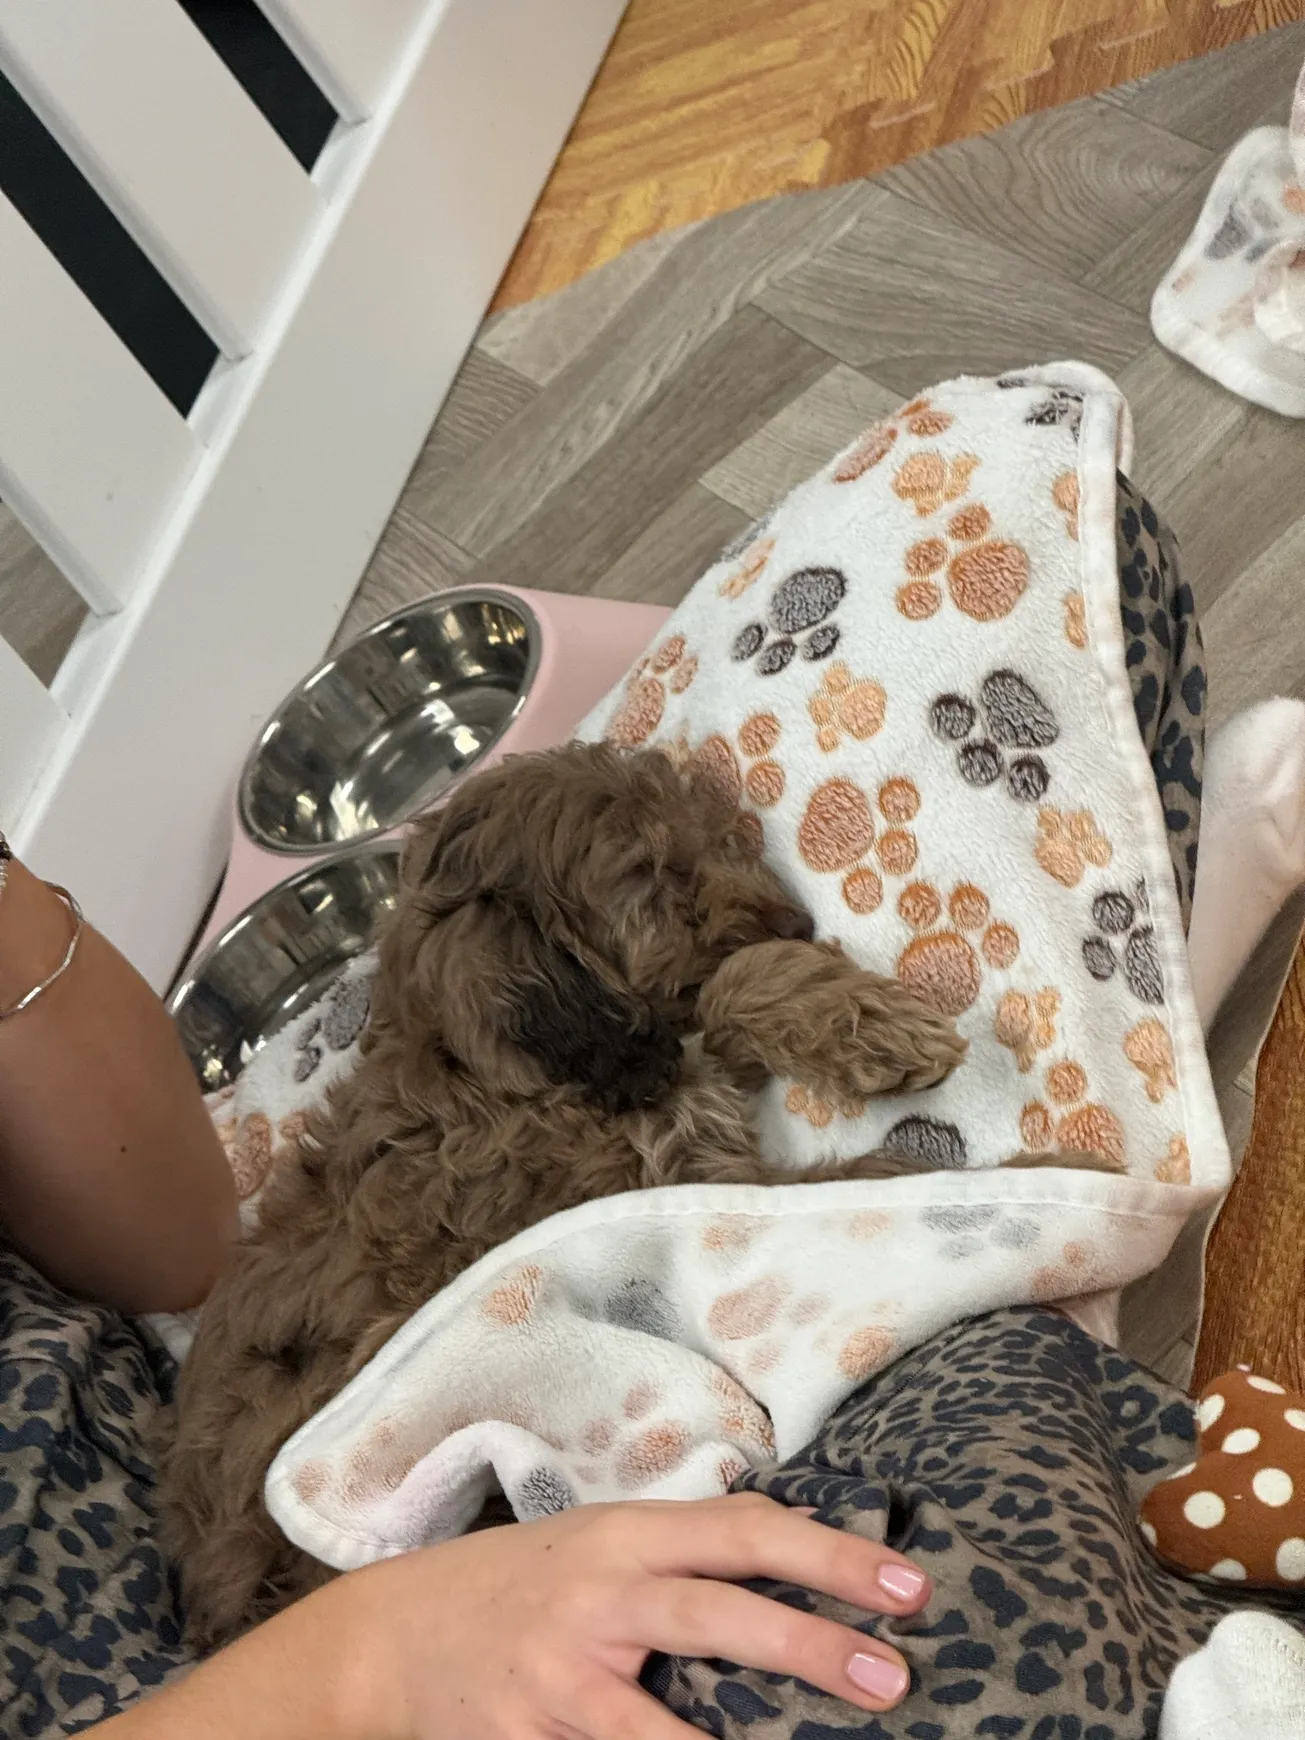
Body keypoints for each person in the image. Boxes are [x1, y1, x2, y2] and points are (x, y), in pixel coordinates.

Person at [0, 841, 930, 1739]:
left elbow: (172, 1249)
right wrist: (367, 1652)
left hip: (158, 1470)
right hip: (314, 1609)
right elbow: (709, 1245)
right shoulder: (532, 1116)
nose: (770, 905)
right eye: (662, 882)